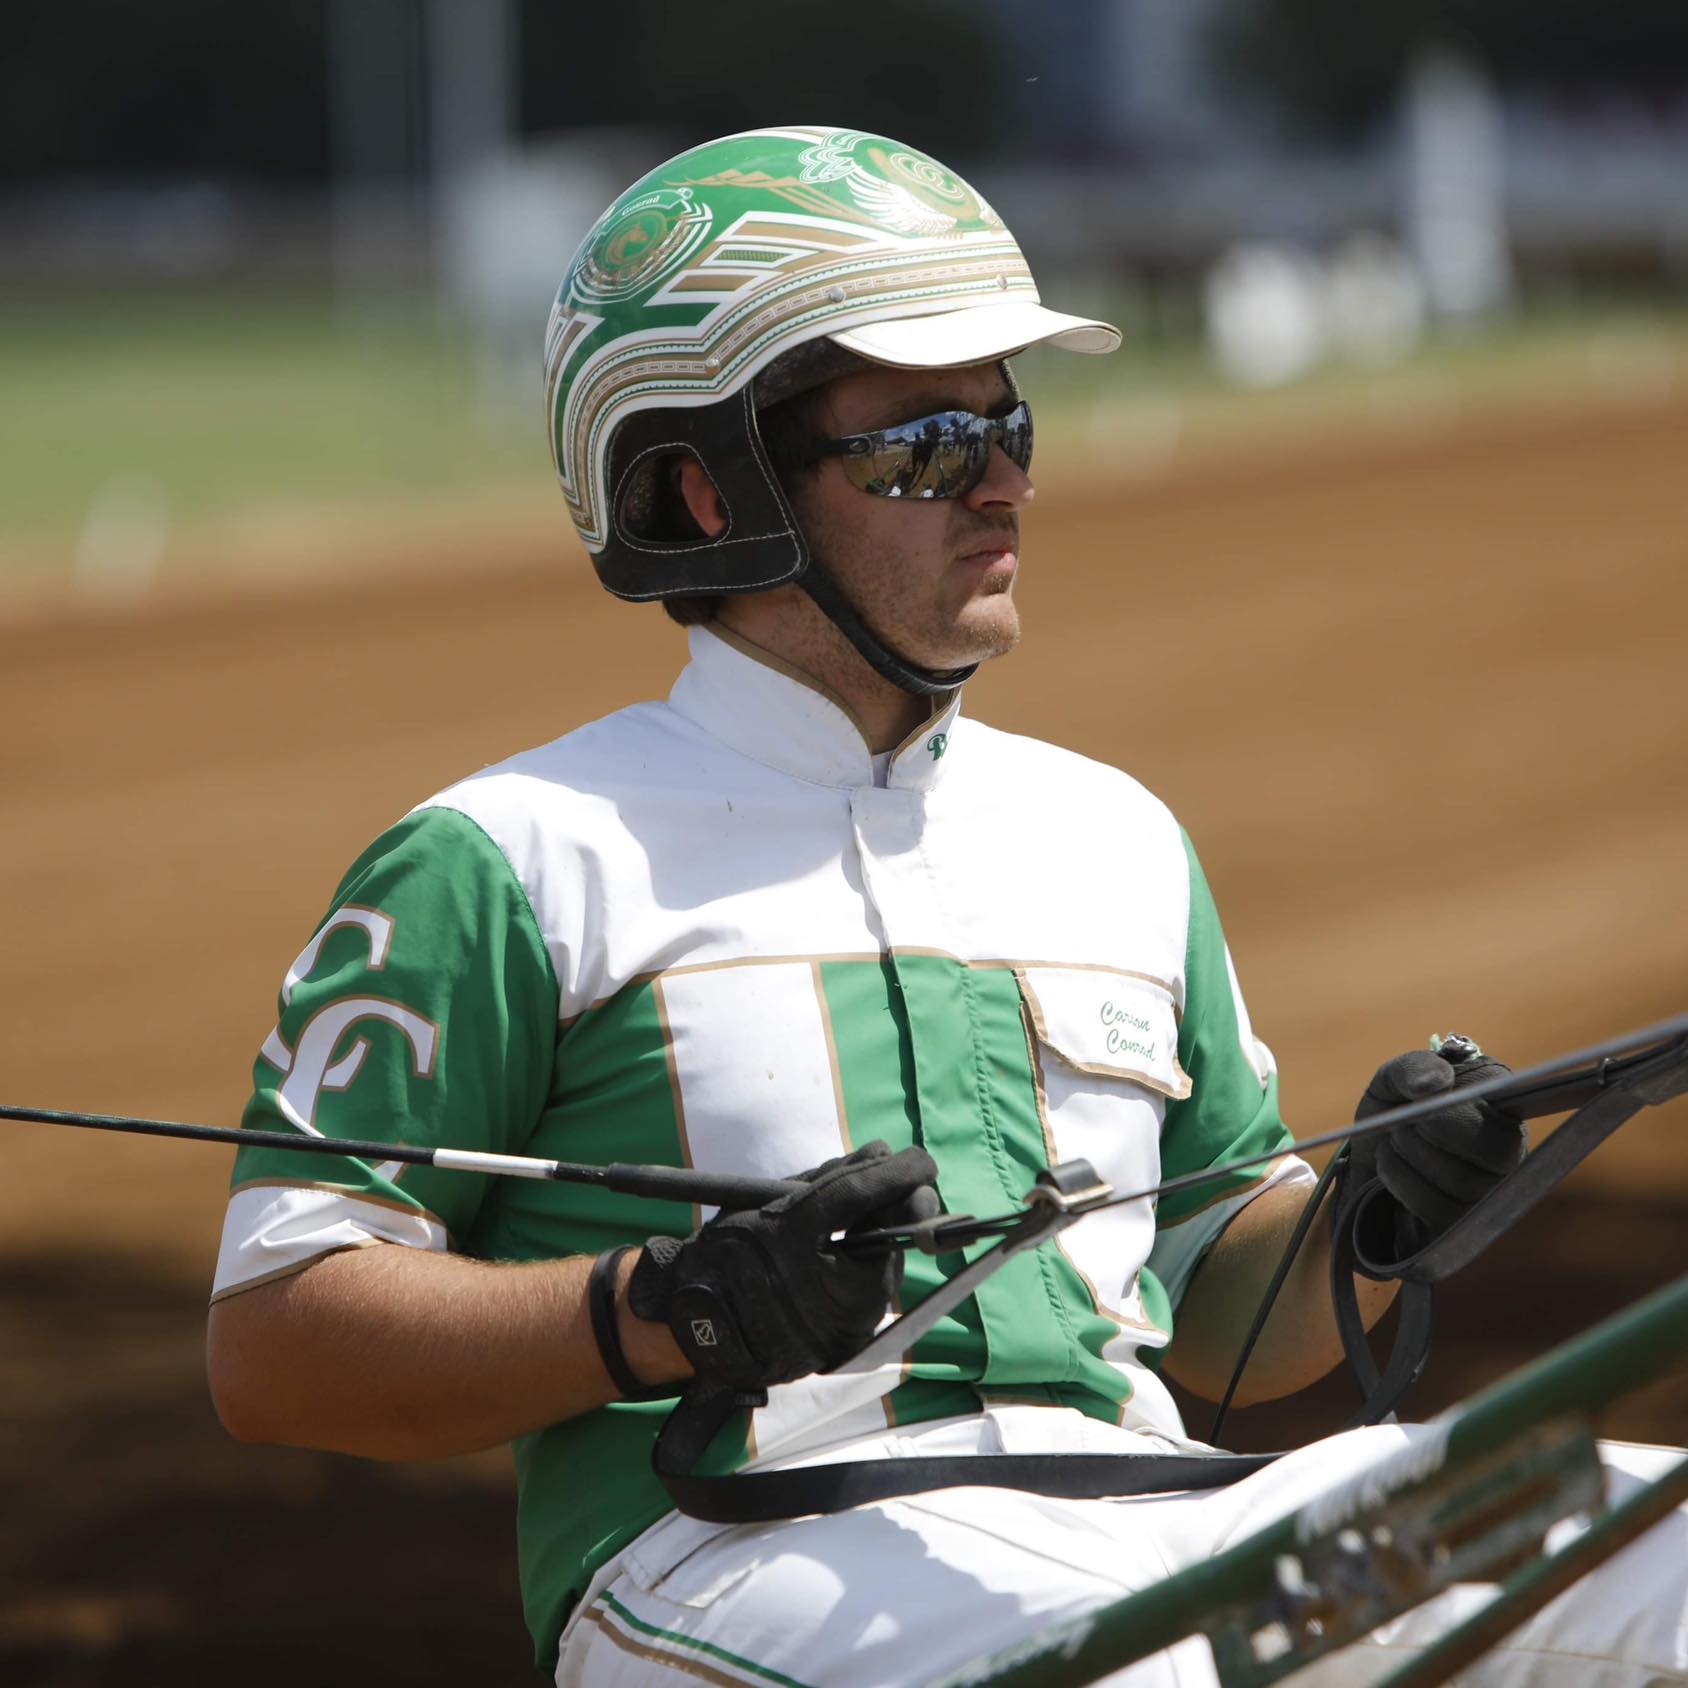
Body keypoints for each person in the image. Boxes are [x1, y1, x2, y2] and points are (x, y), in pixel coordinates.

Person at [206, 127, 1687, 1686]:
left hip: (1171, 1525)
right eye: (922, 445)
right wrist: (664, 1317)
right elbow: (281, 1343)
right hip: (735, 1558)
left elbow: (1219, 1315)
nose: (1000, 487)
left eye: (1013, 428)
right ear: (704, 490)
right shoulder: (502, 857)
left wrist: (1371, 1217)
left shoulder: (1116, 834)